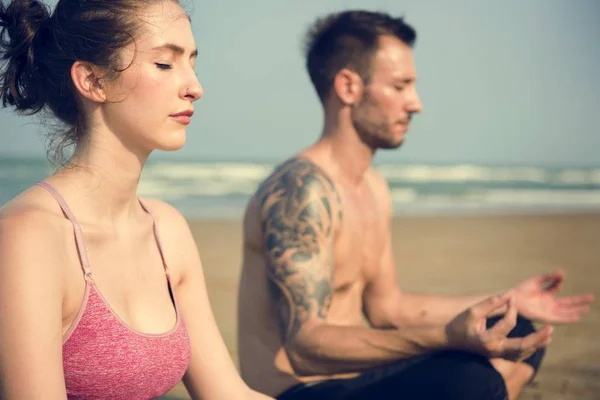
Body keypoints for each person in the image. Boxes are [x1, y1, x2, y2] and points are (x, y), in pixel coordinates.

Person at [237, 10, 594, 400]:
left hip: (354, 381)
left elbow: (388, 309)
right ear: (349, 87)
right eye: (401, 86)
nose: (416, 104)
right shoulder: (301, 190)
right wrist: (444, 337)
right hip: (296, 391)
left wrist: (508, 300)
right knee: (470, 380)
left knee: (519, 329)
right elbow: (305, 348)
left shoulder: (372, 187)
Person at [0, 0, 273, 399]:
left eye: (192, 63)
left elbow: (228, 394)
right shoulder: (30, 238)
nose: (195, 87)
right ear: (93, 81)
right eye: (165, 64)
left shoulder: (166, 230)